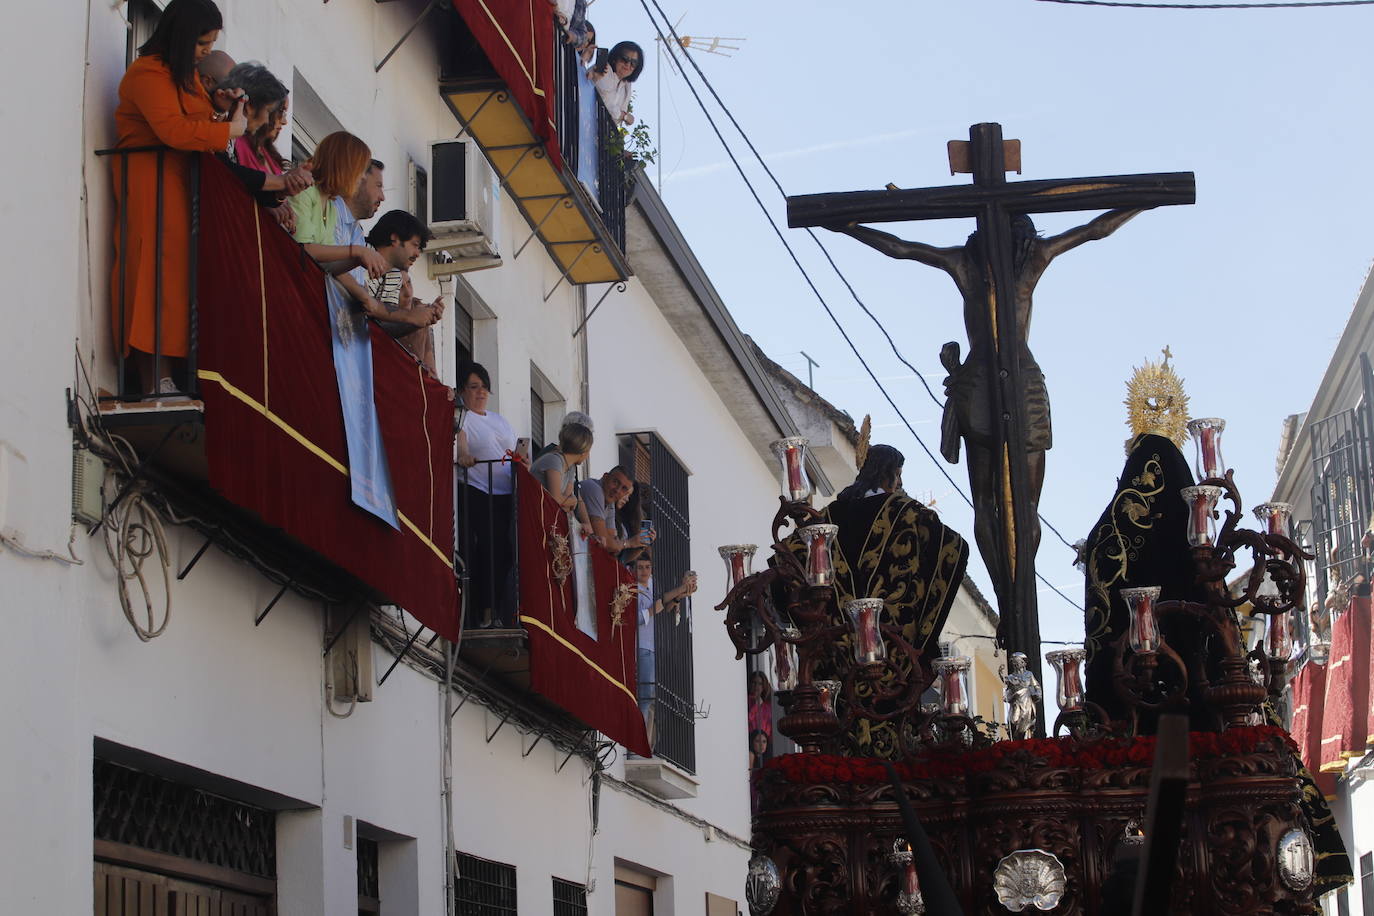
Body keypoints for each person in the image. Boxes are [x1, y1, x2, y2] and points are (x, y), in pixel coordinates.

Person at [783, 444, 969, 758]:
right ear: (893, 474)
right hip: (893, 659)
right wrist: (922, 630)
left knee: (842, 745)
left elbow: (788, 562)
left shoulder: (827, 517)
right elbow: (953, 548)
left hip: (839, 655)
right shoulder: (907, 511)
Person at [113, 0, 246, 395]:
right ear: (184, 36)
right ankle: (154, 378)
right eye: (203, 42)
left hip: (180, 185)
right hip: (150, 182)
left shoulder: (184, 77)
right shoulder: (147, 74)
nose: (206, 51)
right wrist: (231, 130)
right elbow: (172, 130)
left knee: (178, 281)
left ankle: (173, 375)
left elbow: (195, 125)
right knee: (151, 275)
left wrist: (220, 112)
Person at [456, 361, 517, 627]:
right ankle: (484, 612)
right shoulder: (461, 416)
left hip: (505, 494)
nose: (481, 392)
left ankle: (498, 610)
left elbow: (515, 451)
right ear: (462, 390)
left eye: (484, 387)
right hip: (478, 490)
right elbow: (461, 447)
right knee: (486, 550)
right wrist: (464, 456)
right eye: (474, 387)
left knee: (505, 552)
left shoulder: (498, 420)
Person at [288, 133, 388, 284]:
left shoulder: (330, 207)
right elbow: (303, 249)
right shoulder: (304, 190)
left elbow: (326, 266)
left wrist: (358, 260)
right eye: (359, 169)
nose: (361, 177)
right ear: (343, 165)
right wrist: (357, 251)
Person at [216, 62, 312, 220]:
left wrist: (281, 192)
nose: (268, 119)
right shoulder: (221, 129)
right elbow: (227, 171)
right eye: (269, 111)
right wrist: (281, 181)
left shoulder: (229, 133)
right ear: (249, 106)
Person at [363, 209, 446, 369]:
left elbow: (381, 327)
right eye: (415, 245)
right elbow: (362, 308)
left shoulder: (394, 275)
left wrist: (421, 320)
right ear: (394, 238)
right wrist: (411, 316)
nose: (417, 254)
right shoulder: (363, 253)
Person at [632, 553, 697, 746]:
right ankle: (639, 742)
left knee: (650, 696)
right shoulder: (631, 587)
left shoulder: (653, 584)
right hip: (641, 646)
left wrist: (679, 597)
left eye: (647, 567)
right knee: (645, 695)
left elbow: (665, 606)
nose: (644, 571)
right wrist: (655, 609)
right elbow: (636, 618)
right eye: (640, 567)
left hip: (654, 646)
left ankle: (646, 740)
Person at [578, 466, 653, 557]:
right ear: (605, 477)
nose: (617, 490)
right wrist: (629, 543)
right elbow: (607, 542)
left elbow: (613, 548)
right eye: (615, 482)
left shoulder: (610, 504)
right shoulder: (595, 488)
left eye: (624, 489)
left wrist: (639, 544)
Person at [529, 421, 593, 512]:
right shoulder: (554, 460)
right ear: (583, 452)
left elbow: (566, 507)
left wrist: (567, 501)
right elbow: (556, 500)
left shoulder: (570, 467)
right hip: (532, 514)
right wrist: (572, 501)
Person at [591, 40, 643, 125]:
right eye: (624, 59)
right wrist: (624, 116)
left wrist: (621, 115)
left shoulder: (627, 86)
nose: (628, 64)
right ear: (615, 58)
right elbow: (606, 105)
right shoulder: (604, 69)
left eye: (633, 63)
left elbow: (617, 120)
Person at [1002, 652, 1041, 741]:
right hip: (1016, 702)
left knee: (1026, 721)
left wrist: (1036, 693)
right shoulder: (1010, 677)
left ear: (1023, 663)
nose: (1016, 664)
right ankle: (1016, 739)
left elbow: (1036, 686)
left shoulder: (1029, 675)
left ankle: (1025, 740)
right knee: (1013, 720)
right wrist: (1008, 696)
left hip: (1027, 702)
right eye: (1014, 663)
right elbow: (1006, 691)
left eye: (1018, 662)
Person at [748, 670, 773, 742]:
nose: (756, 686)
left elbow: (770, 728)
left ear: (764, 686)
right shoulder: (744, 701)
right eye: (754, 683)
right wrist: (756, 706)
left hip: (765, 744)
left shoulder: (767, 706)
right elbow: (746, 720)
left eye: (760, 684)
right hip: (750, 741)